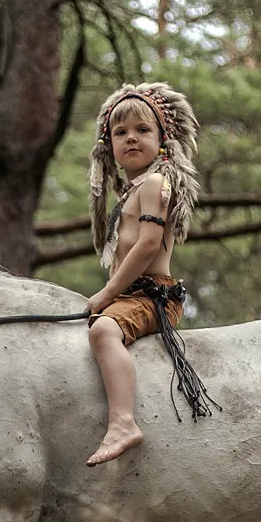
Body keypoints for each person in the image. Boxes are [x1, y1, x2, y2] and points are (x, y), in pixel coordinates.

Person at [84, 82, 202, 466]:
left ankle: (123, 423)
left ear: (163, 139)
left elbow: (149, 244)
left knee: (103, 330)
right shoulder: (130, 191)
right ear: (109, 146)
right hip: (130, 295)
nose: (131, 138)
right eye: (121, 133)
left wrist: (105, 295)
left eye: (142, 130)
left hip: (153, 296)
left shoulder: (154, 183)